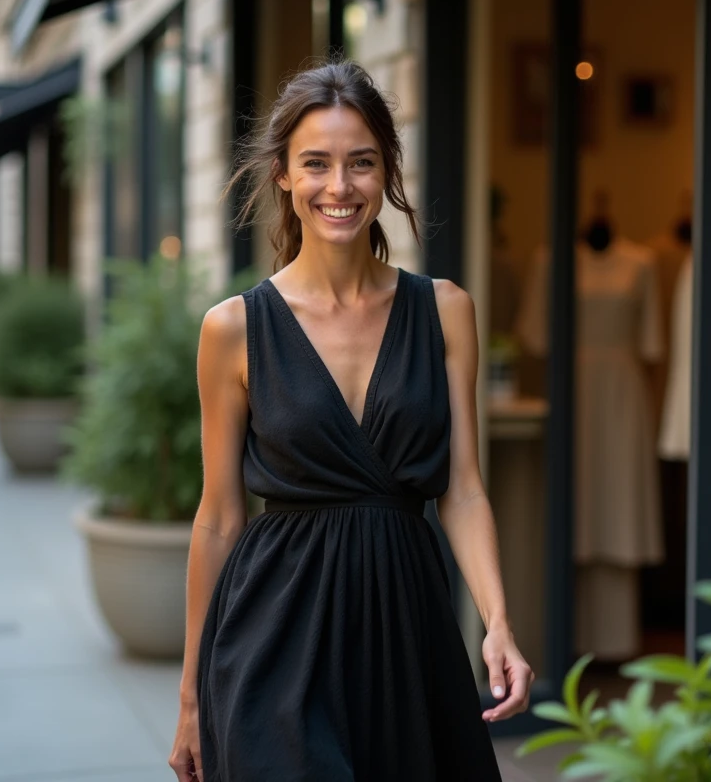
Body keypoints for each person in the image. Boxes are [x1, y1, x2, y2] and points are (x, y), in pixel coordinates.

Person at [168, 61, 531, 782]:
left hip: (407, 629)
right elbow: (218, 518)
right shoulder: (233, 329)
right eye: (317, 164)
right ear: (283, 176)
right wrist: (189, 696)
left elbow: (462, 490)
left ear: (387, 170)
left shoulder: (446, 311)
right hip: (276, 633)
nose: (340, 187)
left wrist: (497, 621)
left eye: (361, 163)